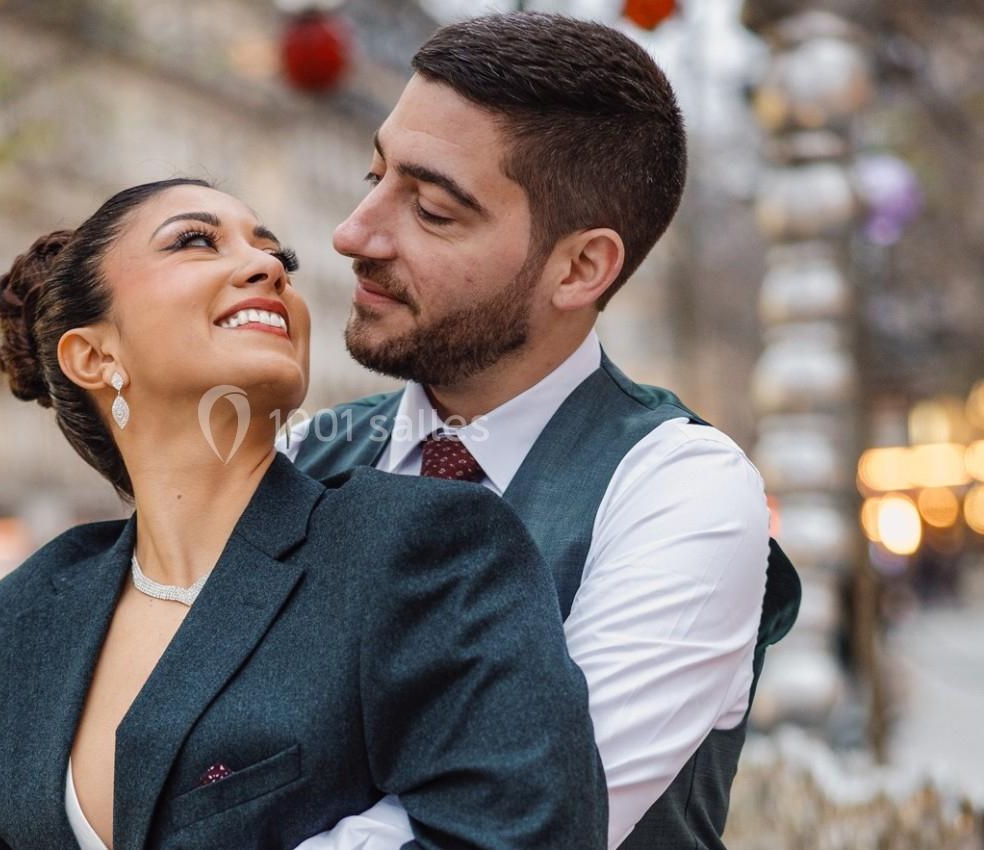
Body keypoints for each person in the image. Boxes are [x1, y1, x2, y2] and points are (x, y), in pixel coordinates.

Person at [0, 178, 608, 850]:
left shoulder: (418, 548)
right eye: (195, 241)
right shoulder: (5, 628)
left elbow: (526, 832)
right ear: (94, 355)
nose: (268, 268)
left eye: (278, 256)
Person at [287, 12, 801, 850]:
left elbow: (518, 826)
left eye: (433, 210)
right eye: (374, 176)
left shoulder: (680, 491)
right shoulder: (305, 456)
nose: (354, 233)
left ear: (580, 267)